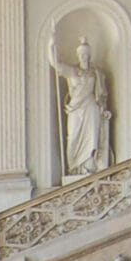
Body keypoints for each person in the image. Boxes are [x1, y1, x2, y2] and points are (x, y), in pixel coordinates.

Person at [49, 34, 111, 175]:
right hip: (75, 109)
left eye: (86, 54)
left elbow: (101, 95)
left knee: (92, 137)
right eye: (81, 54)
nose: (84, 56)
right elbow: (54, 62)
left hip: (91, 107)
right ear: (78, 55)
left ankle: (89, 166)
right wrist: (51, 44)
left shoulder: (96, 73)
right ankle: (74, 169)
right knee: (73, 137)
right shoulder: (72, 71)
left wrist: (104, 110)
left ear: (89, 55)